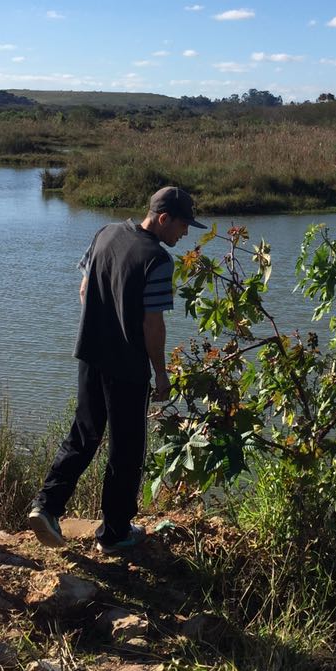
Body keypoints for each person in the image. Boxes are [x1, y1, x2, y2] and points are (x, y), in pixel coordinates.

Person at [28, 185, 202, 554]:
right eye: (183, 225)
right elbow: (151, 325)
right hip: (126, 367)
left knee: (83, 434)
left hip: (90, 355)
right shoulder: (157, 259)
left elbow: (84, 289)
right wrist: (162, 373)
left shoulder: (105, 233)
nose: (185, 234)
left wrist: (101, 323)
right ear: (163, 218)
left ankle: (46, 506)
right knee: (126, 450)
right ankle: (115, 533)